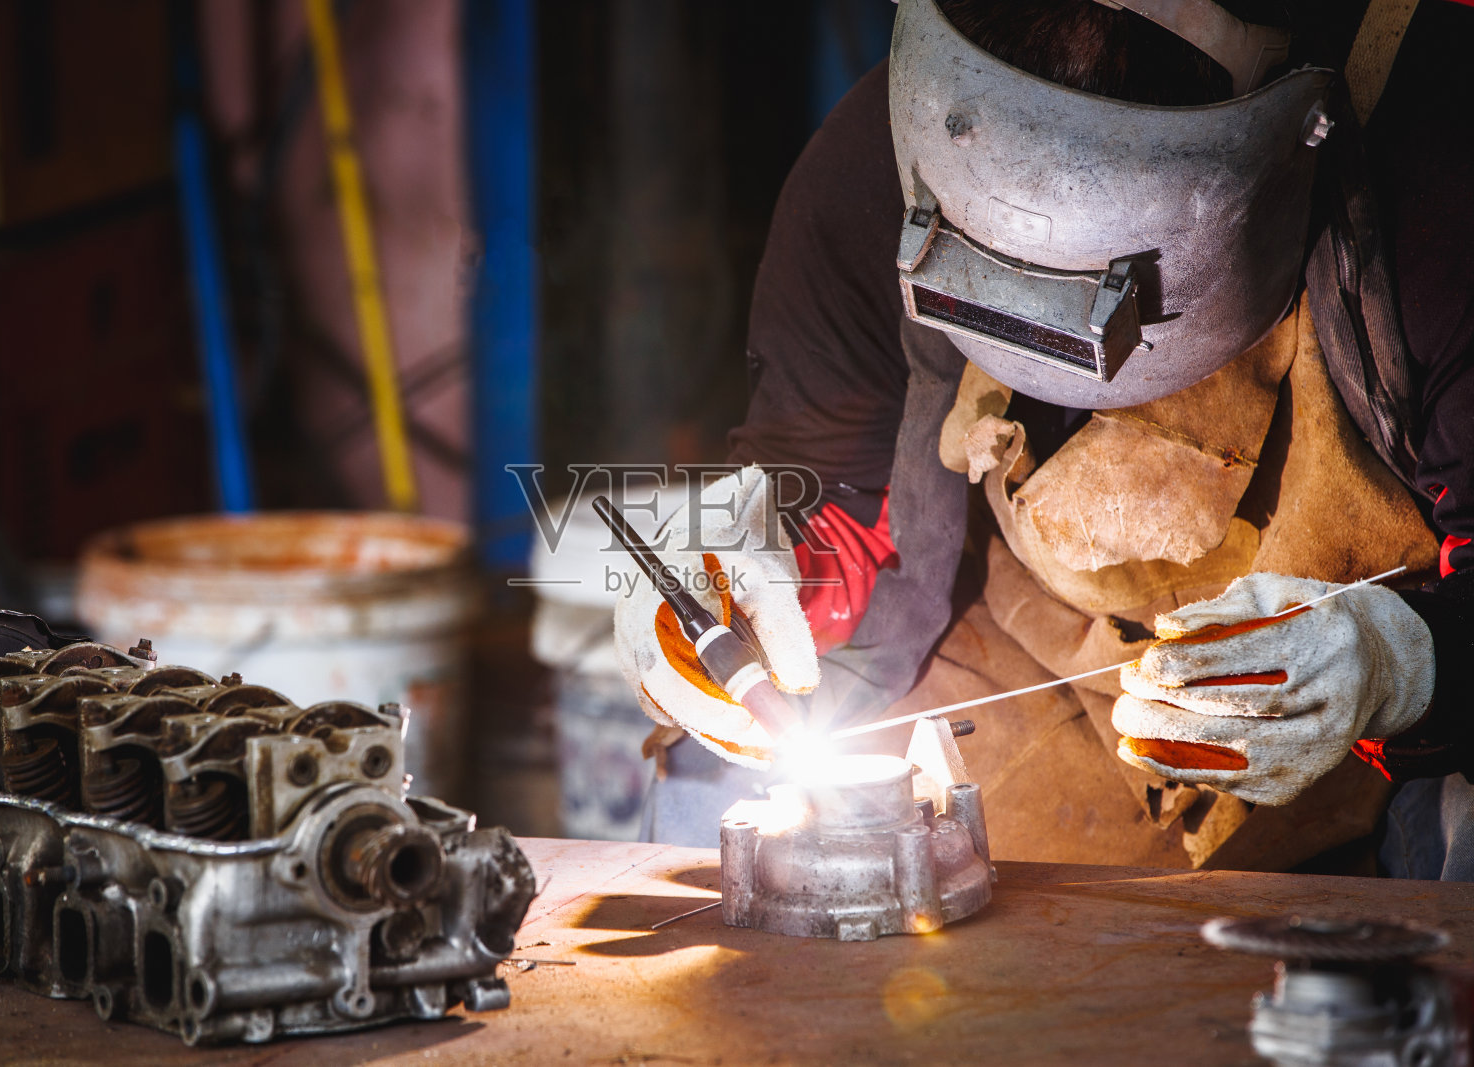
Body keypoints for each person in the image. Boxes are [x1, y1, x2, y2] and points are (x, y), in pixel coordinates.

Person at [613, 0, 1474, 876]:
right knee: (728, 801)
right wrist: (762, 579)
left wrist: (1398, 664)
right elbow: (834, 495)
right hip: (1027, 653)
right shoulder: (891, 155)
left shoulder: (1439, 179)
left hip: (1356, 728)